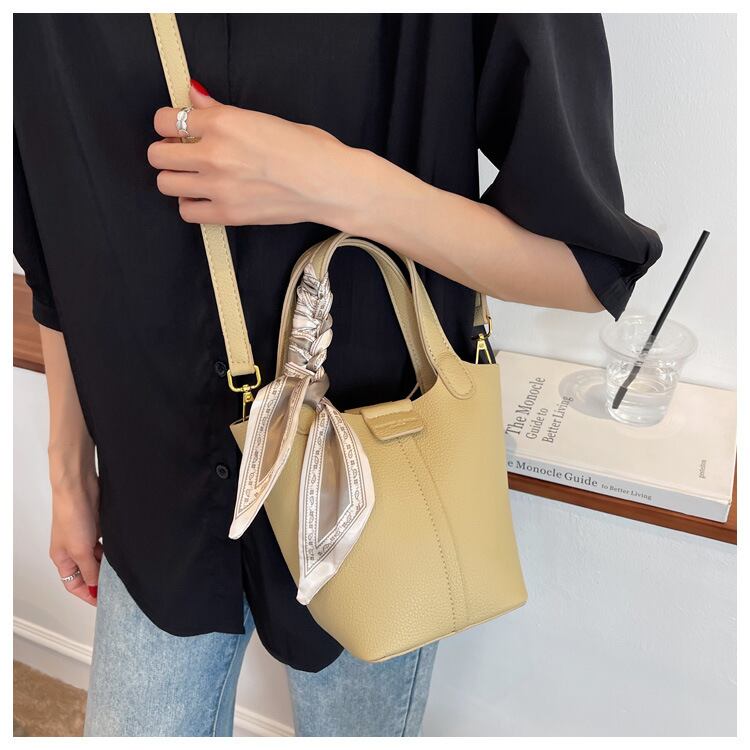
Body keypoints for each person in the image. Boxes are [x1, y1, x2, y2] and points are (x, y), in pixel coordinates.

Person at [13, 13, 662, 737]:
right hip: (154, 487)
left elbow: (582, 267)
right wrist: (68, 471)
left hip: (379, 482)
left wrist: (335, 181)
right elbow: (57, 241)